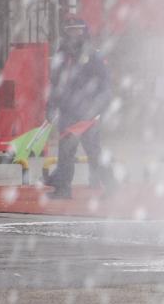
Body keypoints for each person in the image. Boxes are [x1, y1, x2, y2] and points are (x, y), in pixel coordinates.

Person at [45, 16, 115, 200]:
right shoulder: (62, 55)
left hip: (87, 113)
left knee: (94, 153)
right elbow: (55, 84)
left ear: (84, 32)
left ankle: (112, 188)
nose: (74, 34)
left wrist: (96, 108)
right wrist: (51, 105)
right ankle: (63, 189)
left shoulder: (93, 55)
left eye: (77, 30)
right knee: (65, 153)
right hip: (67, 111)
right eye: (70, 30)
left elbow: (106, 86)